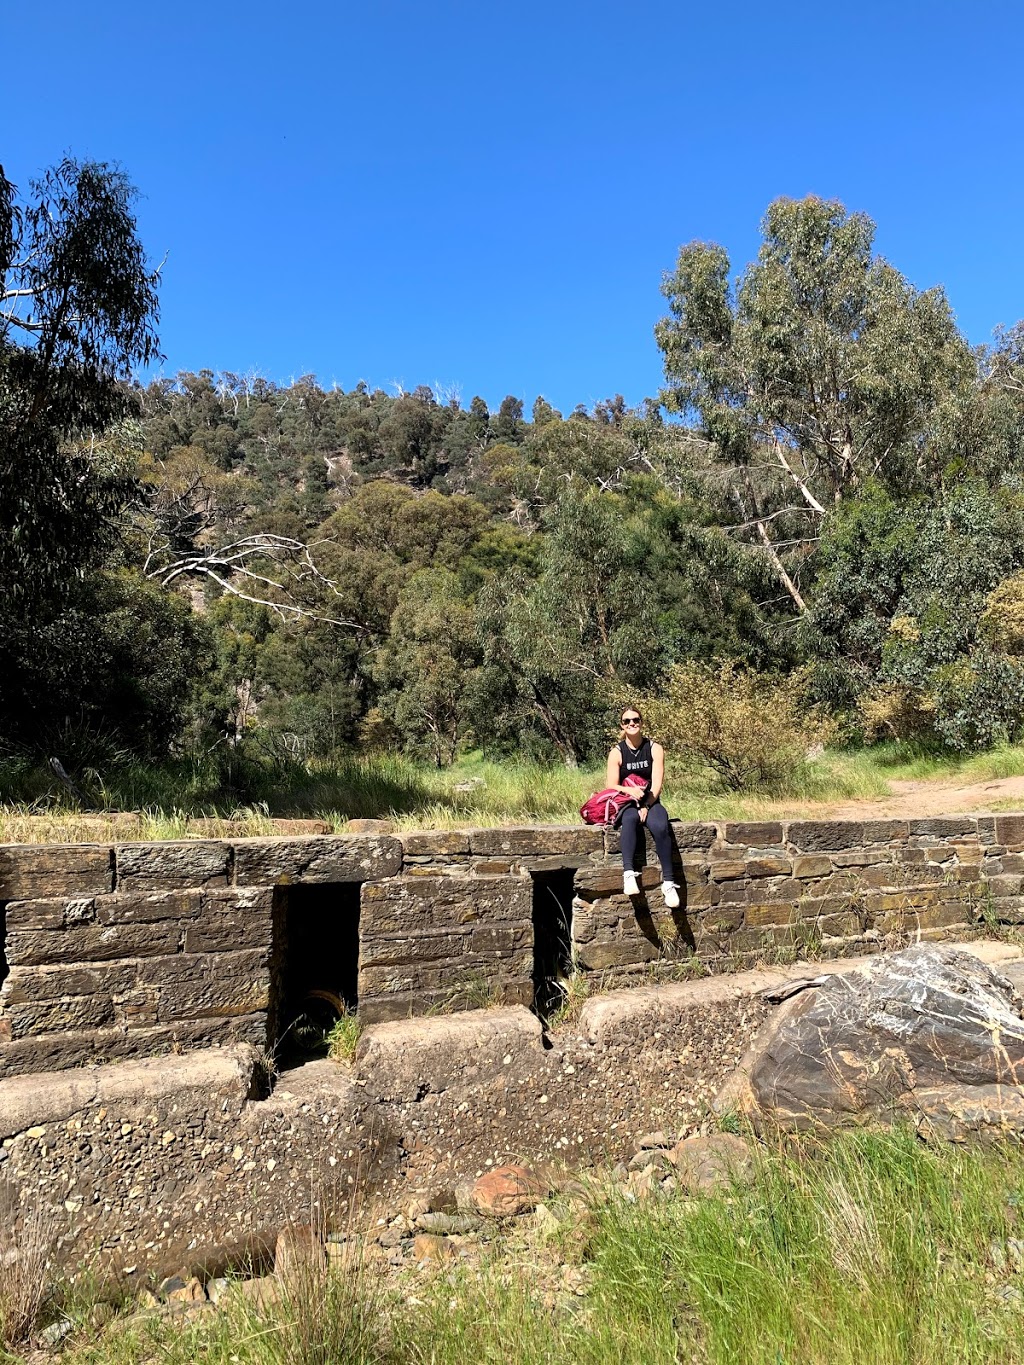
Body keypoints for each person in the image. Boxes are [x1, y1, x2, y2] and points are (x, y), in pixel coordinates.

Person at [606, 707, 680, 908]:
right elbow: (610, 785)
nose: (632, 723)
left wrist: (647, 805)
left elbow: (656, 784)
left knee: (660, 825)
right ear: (622, 725)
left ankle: (669, 883)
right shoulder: (617, 752)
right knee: (629, 819)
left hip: (651, 799)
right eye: (627, 721)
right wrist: (630, 792)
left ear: (641, 722)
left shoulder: (654, 748)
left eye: (635, 719)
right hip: (627, 801)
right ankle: (629, 873)